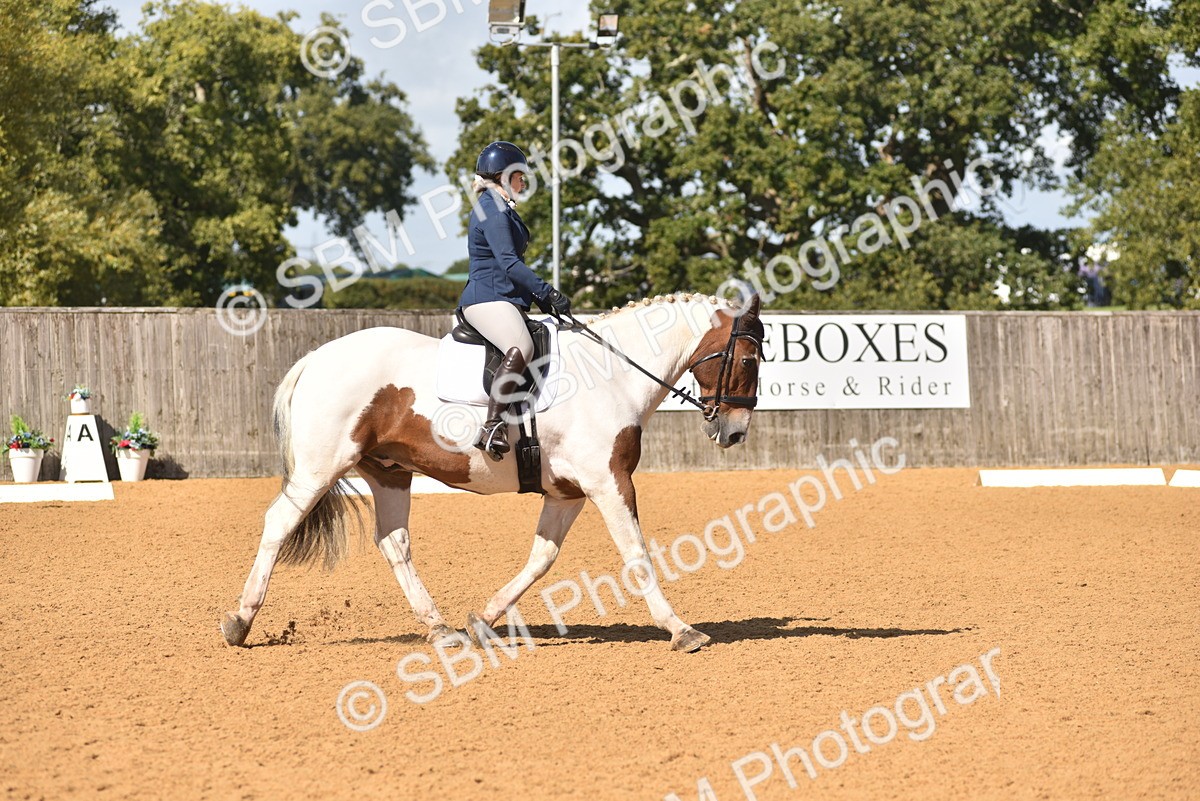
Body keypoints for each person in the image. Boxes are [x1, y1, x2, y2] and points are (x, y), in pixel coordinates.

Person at [459, 141, 571, 461]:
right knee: (521, 346)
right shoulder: (491, 209)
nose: (524, 183)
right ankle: (493, 425)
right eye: (520, 176)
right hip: (486, 298)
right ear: (505, 176)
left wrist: (539, 299)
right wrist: (546, 291)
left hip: (502, 296)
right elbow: (509, 264)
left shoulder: (499, 206)